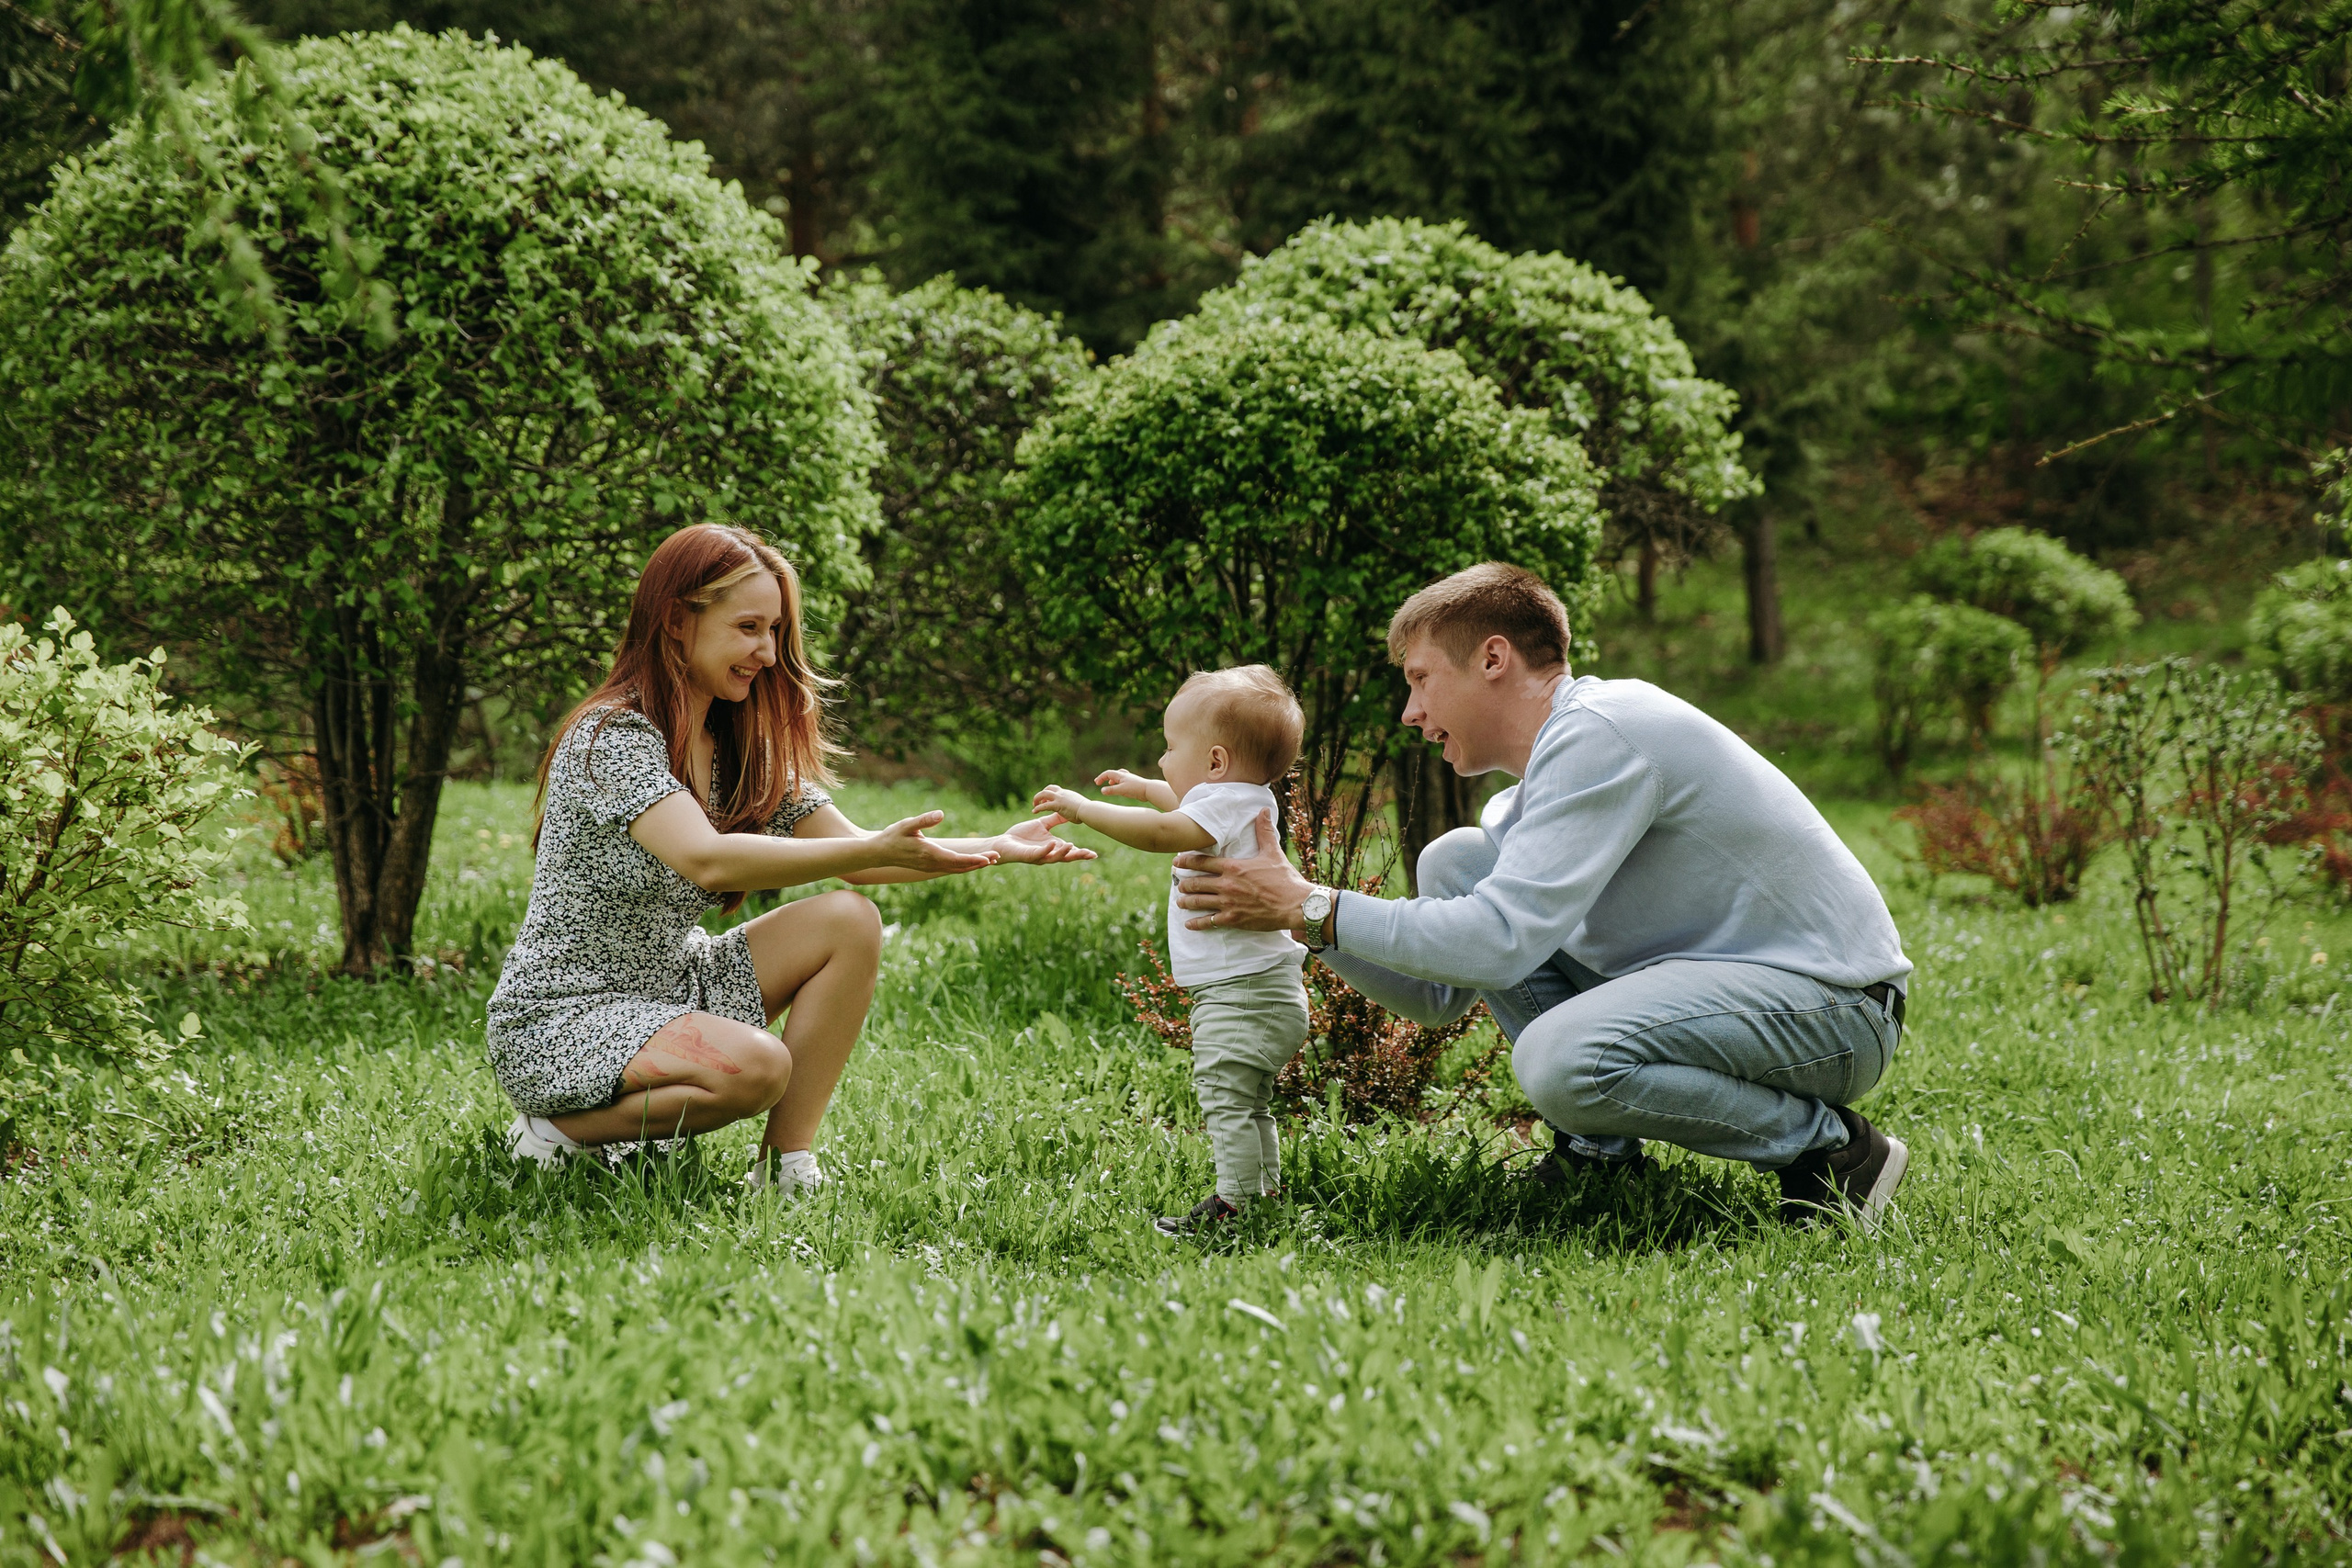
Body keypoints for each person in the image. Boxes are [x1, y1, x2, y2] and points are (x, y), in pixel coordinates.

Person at [1170, 563, 1914, 1229]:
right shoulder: (1544, 781)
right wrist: (1296, 918)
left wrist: (1311, 904)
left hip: (1837, 1008)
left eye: (1421, 678)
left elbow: (1498, 942)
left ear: (1494, 658)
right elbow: (1437, 994)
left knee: (1561, 1058)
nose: (1409, 711)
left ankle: (1833, 1156)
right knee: (1459, 860)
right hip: (1748, 994)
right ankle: (1600, 1156)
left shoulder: (1606, 731)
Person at [488, 523, 1092, 1190]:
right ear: (676, 622)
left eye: (774, 630)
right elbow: (709, 860)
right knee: (759, 1068)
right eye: (748, 627)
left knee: (851, 918)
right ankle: (556, 1131)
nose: (769, 652)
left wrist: (999, 848)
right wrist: (866, 847)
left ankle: (784, 1168)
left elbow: (864, 857)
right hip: (562, 1015)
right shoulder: (613, 737)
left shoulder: (740, 743)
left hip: (671, 986)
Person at [1033, 667, 1311, 1238]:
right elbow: (1181, 804)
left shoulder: (1223, 806)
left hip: (1242, 994)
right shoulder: (1240, 798)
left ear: (1214, 761)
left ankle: (1236, 1206)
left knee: (1226, 1100)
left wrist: (1084, 809)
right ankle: (1260, 1195)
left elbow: (1163, 831)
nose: (1162, 761)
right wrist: (1142, 786)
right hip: (1262, 992)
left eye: (1168, 748)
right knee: (1248, 1104)